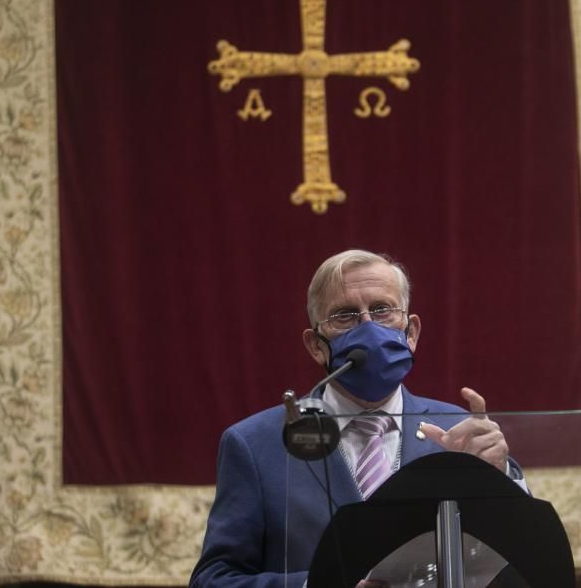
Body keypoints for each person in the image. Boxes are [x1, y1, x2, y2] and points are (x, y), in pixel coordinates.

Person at [190, 249, 521, 587]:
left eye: (382, 310)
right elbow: (213, 580)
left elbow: (517, 554)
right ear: (316, 346)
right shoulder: (255, 444)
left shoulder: (461, 429)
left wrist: (501, 477)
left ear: (412, 332)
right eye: (345, 316)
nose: (368, 327)